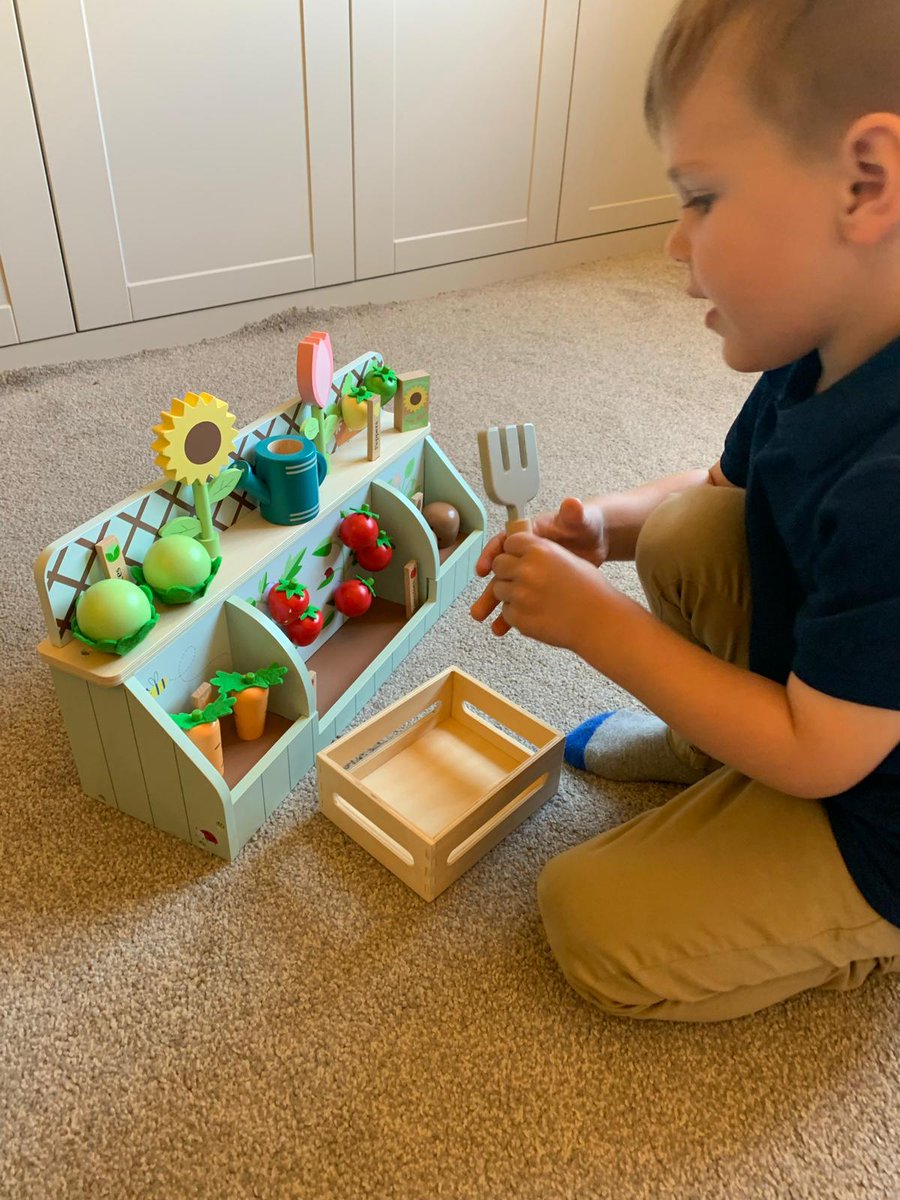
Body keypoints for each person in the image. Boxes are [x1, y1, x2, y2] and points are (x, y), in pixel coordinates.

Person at [471, 0, 900, 1022]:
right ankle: (715, 745)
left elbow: (819, 753)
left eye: (702, 198)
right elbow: (724, 490)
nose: (672, 243)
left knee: (594, 920)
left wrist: (595, 624)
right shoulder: (827, 347)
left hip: (871, 808)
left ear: (866, 183)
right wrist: (609, 526)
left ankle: (867, 936)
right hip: (831, 707)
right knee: (686, 533)